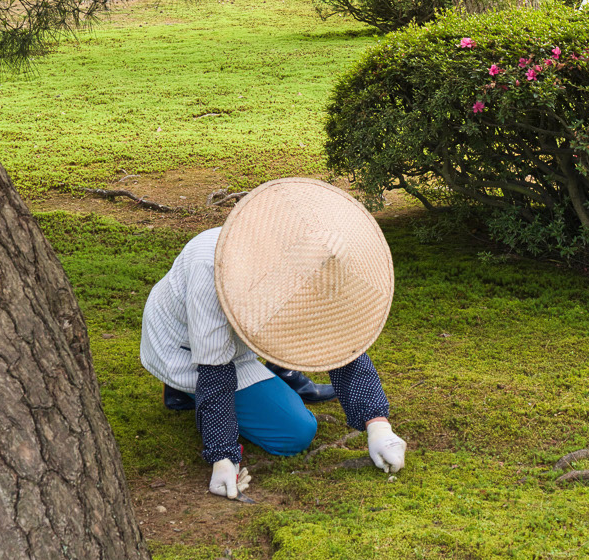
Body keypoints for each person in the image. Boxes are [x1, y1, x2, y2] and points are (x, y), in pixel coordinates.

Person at [139, 176, 408, 499]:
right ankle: (183, 388)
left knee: (286, 408)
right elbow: (214, 367)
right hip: (184, 345)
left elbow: (340, 340)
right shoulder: (212, 266)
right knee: (295, 432)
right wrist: (223, 456)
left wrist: (378, 425)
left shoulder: (313, 260)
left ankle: (279, 372)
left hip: (240, 341)